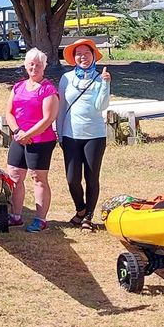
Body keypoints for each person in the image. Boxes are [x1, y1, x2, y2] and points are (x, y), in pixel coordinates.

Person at [58, 38, 111, 230]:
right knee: (72, 178)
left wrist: (105, 85)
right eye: (79, 53)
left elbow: (101, 106)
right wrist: (59, 134)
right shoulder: (66, 78)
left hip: (95, 135)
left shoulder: (100, 78)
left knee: (91, 176)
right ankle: (80, 209)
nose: (83, 57)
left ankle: (88, 216)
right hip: (70, 134)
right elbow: (61, 107)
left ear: (93, 56)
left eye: (87, 53)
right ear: (73, 57)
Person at [4, 48, 60, 232]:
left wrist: (29, 134)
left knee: (38, 178)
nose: (34, 67)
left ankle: (40, 219)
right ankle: (16, 215)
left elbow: (48, 118)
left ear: (44, 66)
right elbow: (9, 112)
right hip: (19, 138)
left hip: (41, 140)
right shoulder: (18, 86)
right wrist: (18, 131)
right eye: (31, 64)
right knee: (14, 176)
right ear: (26, 65)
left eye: (38, 65)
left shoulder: (48, 89)